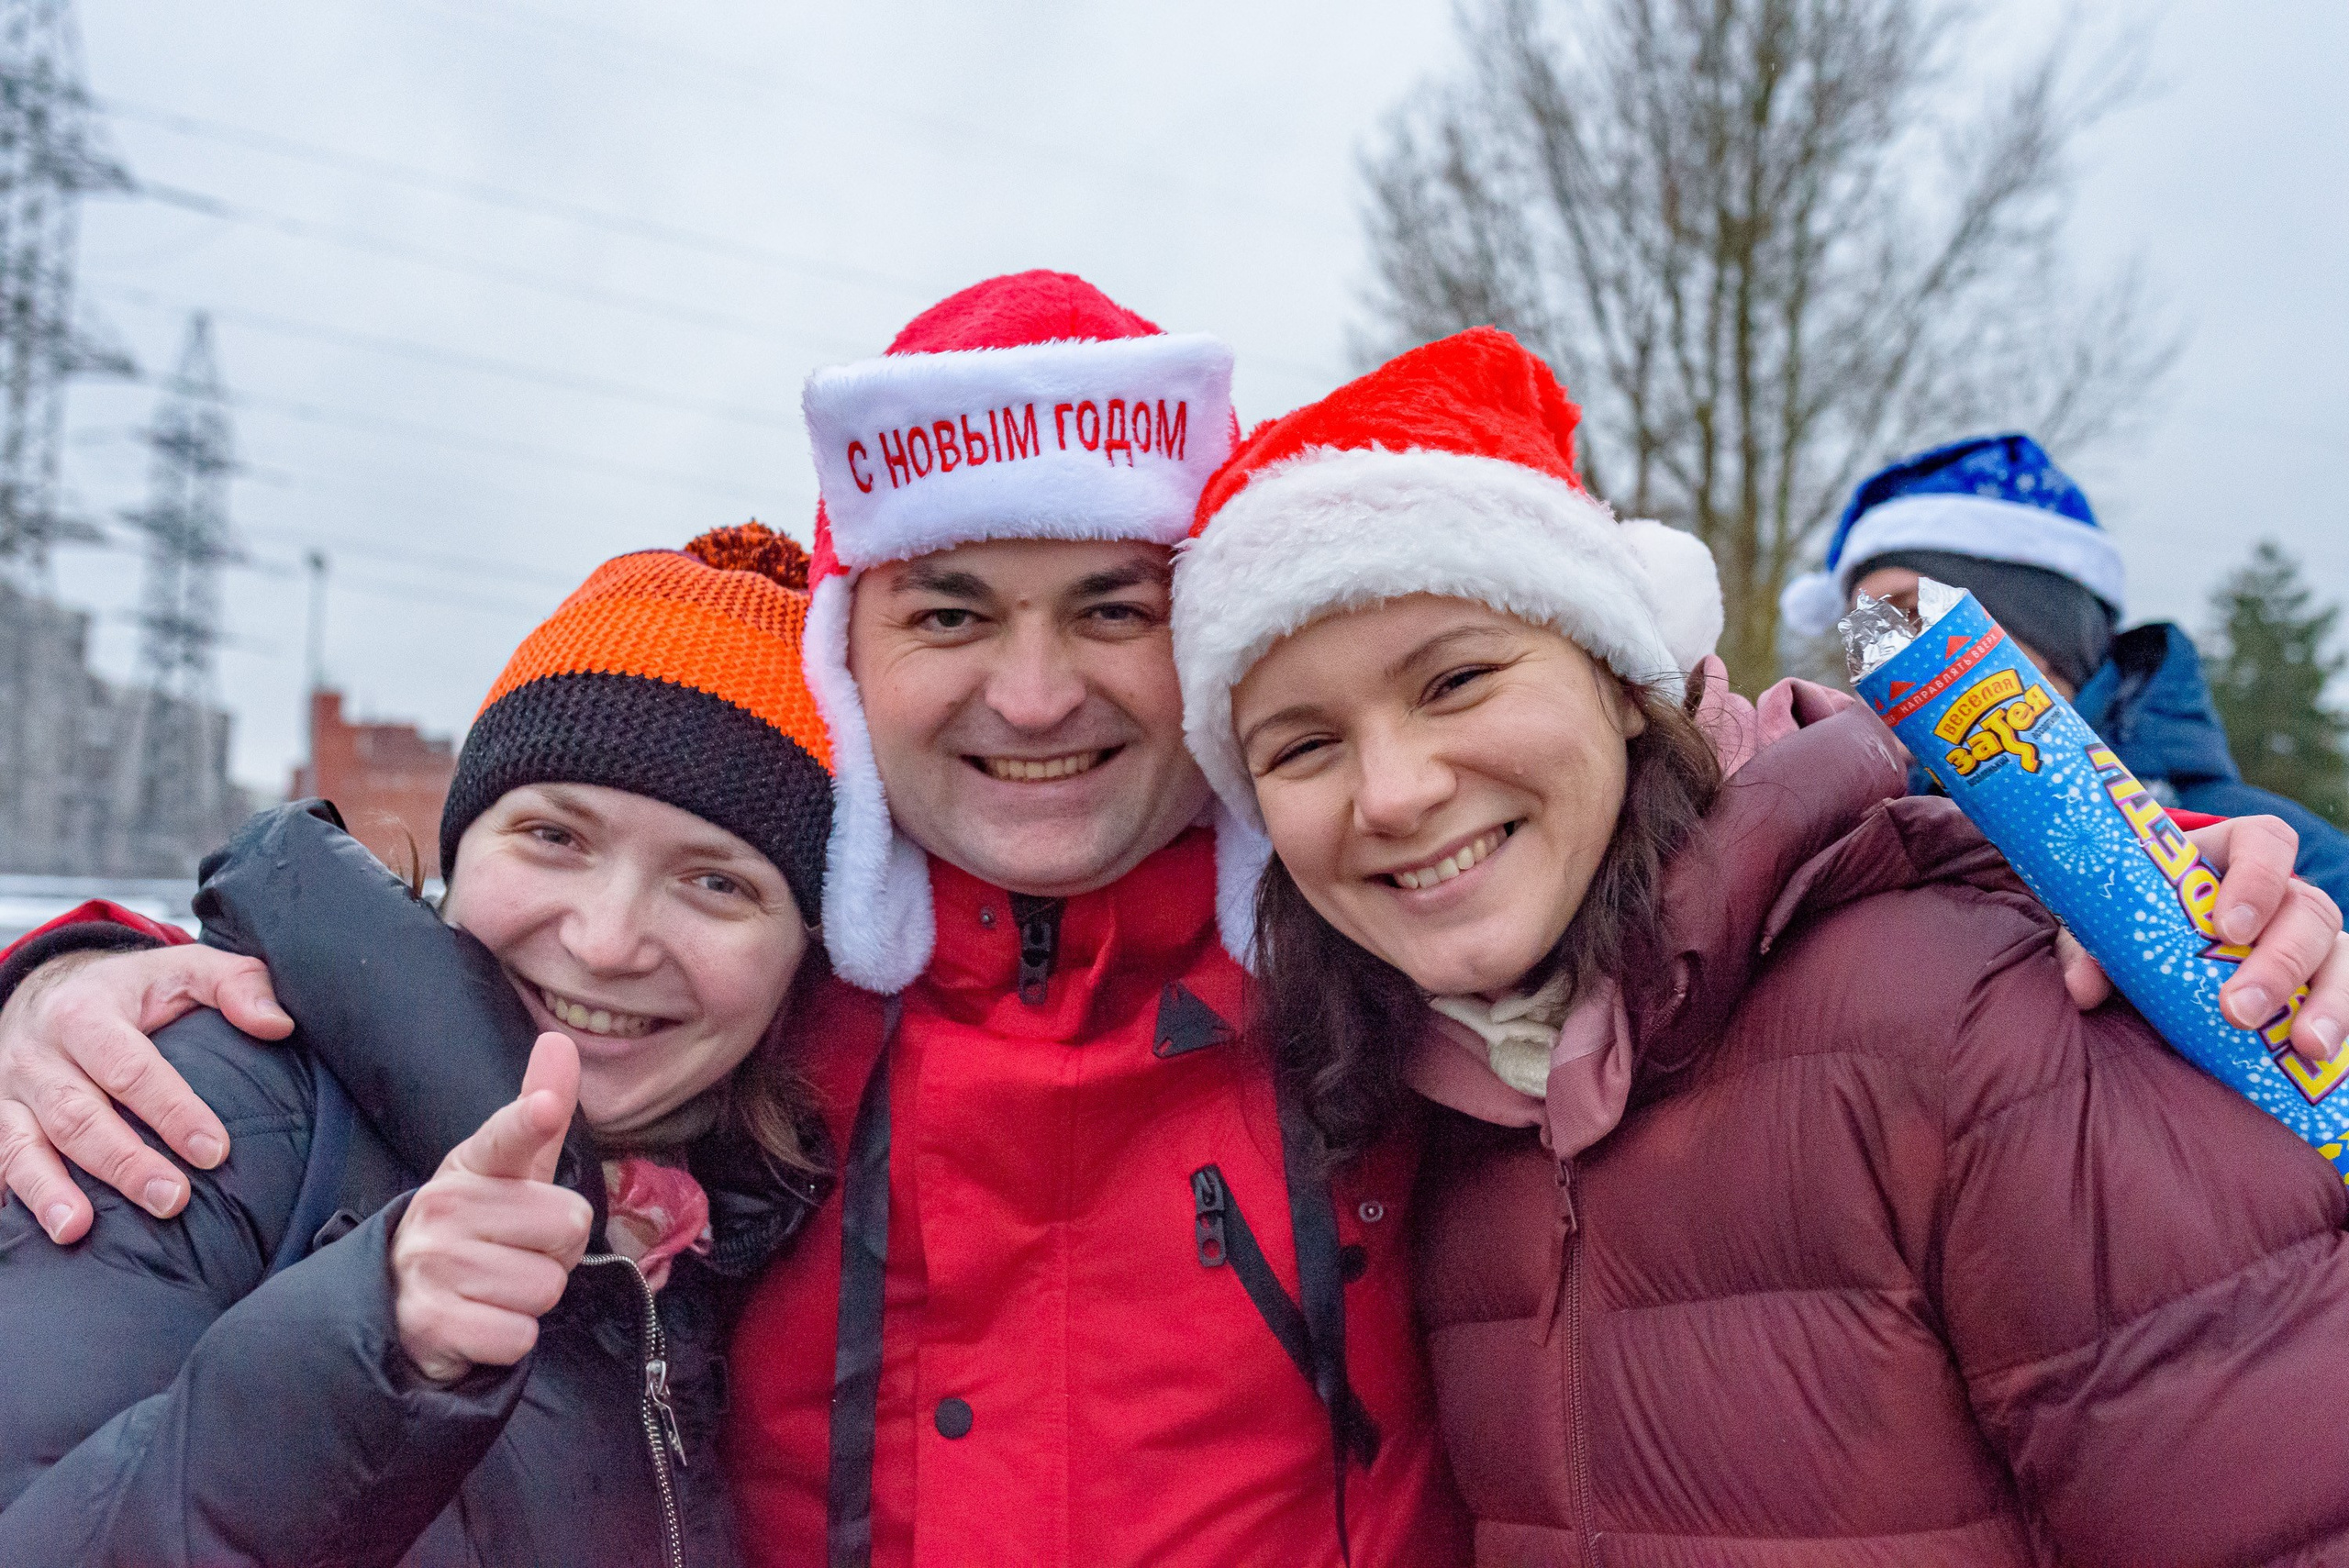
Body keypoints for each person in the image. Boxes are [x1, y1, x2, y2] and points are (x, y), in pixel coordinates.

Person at [0, 279, 2340, 1568]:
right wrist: (74, 974)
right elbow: (480, 951)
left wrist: (2159, 888)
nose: (1029, 695)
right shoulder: (749, 1015)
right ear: (852, 659)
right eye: (950, 613)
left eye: (1108, 608)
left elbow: (1715, 883)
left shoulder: (1358, 990)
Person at [1169, 327, 2349, 1563]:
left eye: (1456, 680)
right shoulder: (1398, 1116)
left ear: (1625, 682)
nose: (1394, 792)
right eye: (1303, 745)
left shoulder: (1974, 1016)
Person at [0, 527, 836, 1568]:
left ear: (804, 953)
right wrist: (369, 1351)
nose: (606, 941)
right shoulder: (191, 1107)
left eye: (717, 881)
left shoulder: (764, 1233)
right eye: (556, 836)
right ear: (460, 850)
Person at [1780, 431, 2349, 911]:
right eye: (1864, 634)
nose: (1881, 664)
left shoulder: (2293, 864)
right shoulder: (1866, 855)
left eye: (1912, 615)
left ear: (2039, 623)